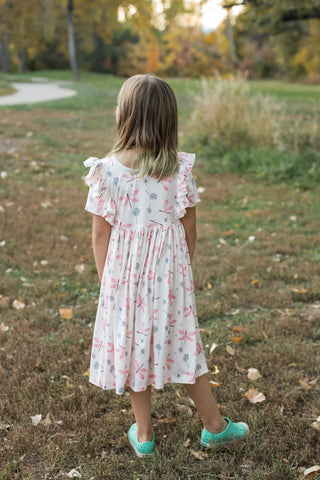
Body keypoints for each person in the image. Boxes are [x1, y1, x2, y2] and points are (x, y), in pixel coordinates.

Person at [83, 74, 249, 458]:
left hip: (122, 278)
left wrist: (108, 282)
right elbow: (189, 226)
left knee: (133, 343)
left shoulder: (107, 172)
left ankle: (144, 435)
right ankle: (214, 426)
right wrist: (181, 271)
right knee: (184, 344)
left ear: (124, 115)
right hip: (169, 276)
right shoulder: (178, 170)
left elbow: (99, 235)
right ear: (168, 119)